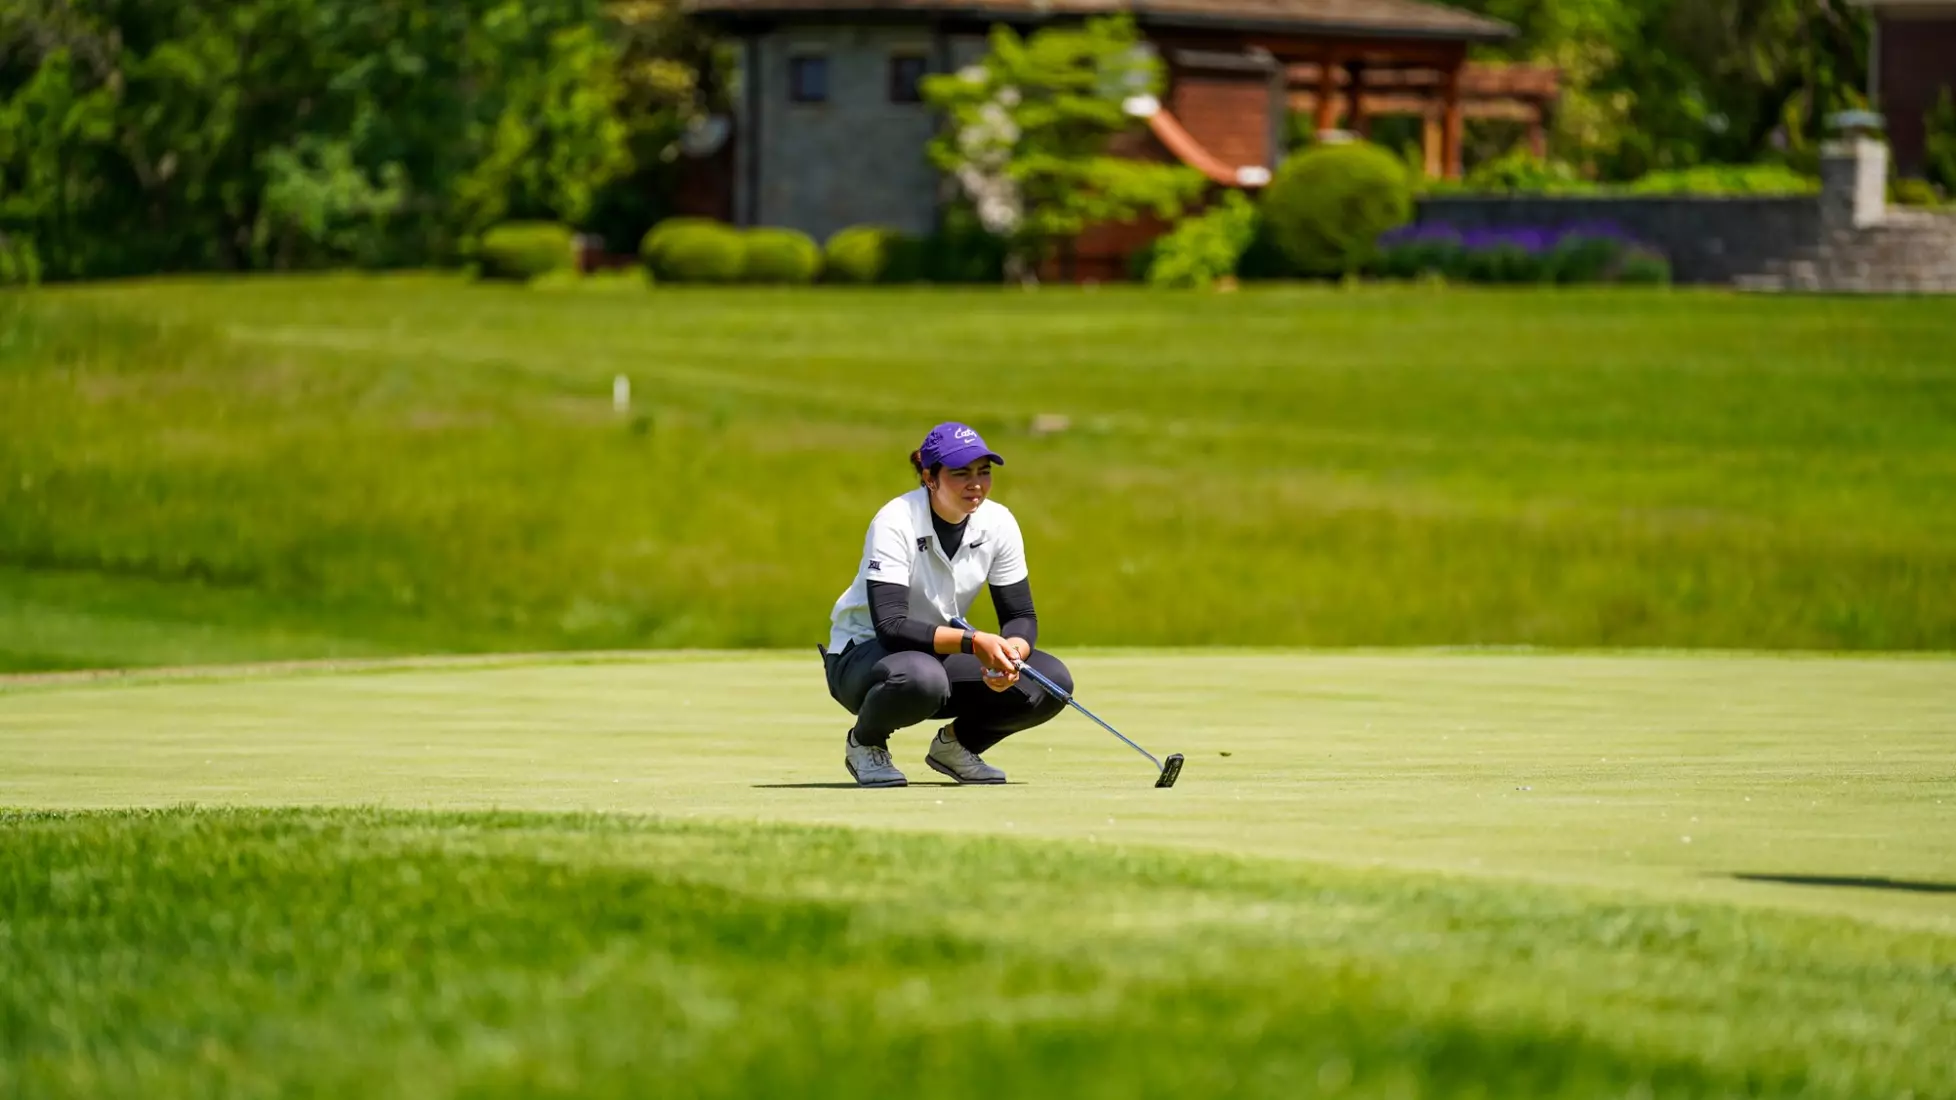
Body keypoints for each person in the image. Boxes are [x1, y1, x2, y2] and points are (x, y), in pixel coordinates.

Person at [821, 422, 1074, 787]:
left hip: (937, 653)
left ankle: (956, 747)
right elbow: (891, 627)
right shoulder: (895, 520)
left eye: (983, 473)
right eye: (961, 474)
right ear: (930, 478)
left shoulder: (998, 522)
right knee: (923, 677)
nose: (976, 484)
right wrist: (975, 643)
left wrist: (1012, 655)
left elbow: (1020, 616)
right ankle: (866, 743)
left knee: (1049, 681)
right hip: (863, 658)